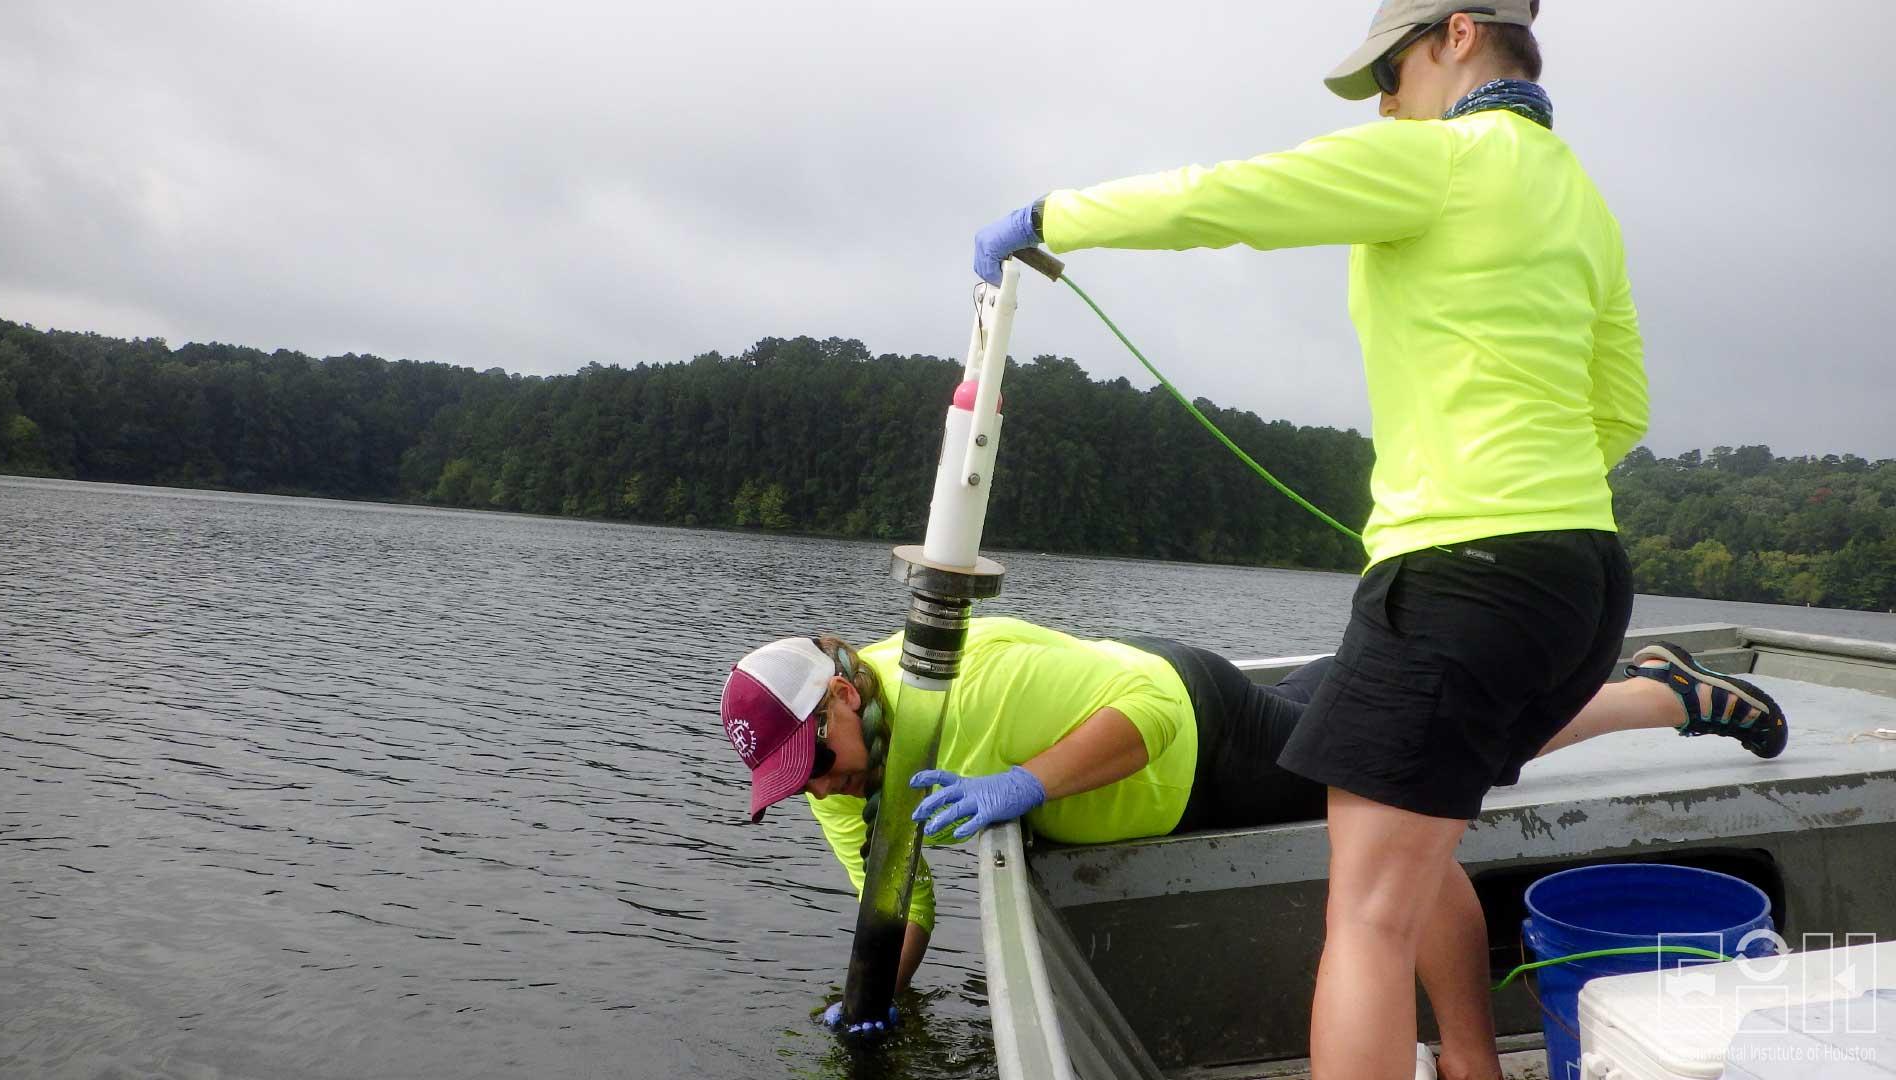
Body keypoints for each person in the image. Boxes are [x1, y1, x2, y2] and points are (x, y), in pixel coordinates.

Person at [965, 5, 1681, 1075]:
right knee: (1413, 860)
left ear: (1455, 35)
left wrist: (1053, 214)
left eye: (1390, 71)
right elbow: (1621, 408)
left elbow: (1230, 198)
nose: (1386, 102)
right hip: (1582, 580)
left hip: (1460, 579)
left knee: (1365, 922)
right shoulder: (1580, 196)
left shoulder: (1442, 157)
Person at [719, 618, 1785, 1052]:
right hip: (1171, 720)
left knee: (1420, 768)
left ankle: (1658, 698)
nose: (817, 785)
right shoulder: (838, 784)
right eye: (792, 782)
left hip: (1200, 734)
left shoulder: (963, 668)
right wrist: (874, 997)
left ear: (842, 701)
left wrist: (1023, 783)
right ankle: (1647, 683)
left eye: (813, 758)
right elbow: (897, 898)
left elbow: (1151, 717)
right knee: (1372, 711)